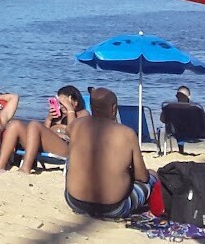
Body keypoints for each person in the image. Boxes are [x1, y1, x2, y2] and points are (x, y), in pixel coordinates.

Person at [64, 88, 155, 220]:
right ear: (114, 108)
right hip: (114, 208)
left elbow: (70, 133)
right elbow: (142, 177)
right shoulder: (127, 134)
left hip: (75, 202)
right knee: (152, 177)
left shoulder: (75, 125)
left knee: (71, 159)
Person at [0, 85, 87, 174]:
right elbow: (44, 131)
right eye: (60, 103)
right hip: (43, 146)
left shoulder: (83, 114)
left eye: (65, 103)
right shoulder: (57, 116)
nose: (62, 106)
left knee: (35, 124)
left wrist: (70, 110)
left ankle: (25, 168)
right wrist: (49, 119)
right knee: (15, 125)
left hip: (67, 149)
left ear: (76, 102)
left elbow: (72, 133)